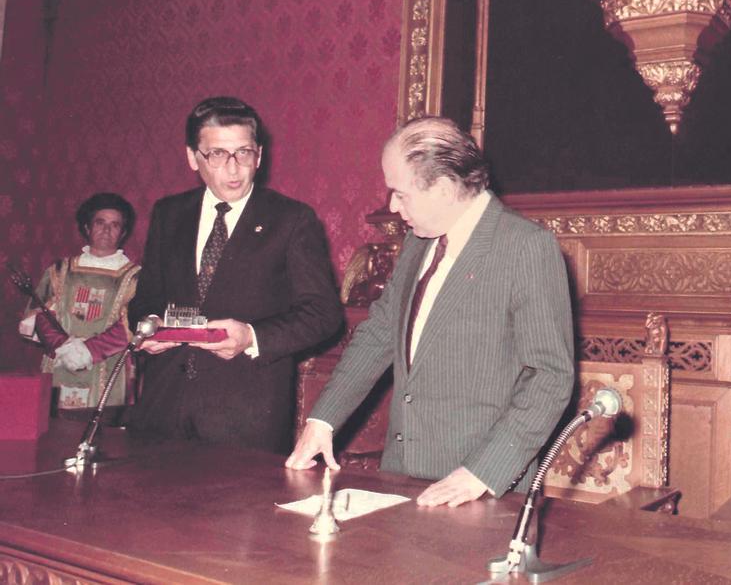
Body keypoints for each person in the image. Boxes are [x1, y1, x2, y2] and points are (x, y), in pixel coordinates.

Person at [286, 117, 575, 508]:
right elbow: (380, 333)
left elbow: (550, 376)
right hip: (400, 474)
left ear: (442, 188)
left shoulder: (524, 246)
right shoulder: (418, 241)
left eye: (400, 194)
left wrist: (482, 472)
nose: (391, 206)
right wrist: (324, 420)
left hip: (477, 488)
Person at [123, 96, 343, 454]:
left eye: (243, 153)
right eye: (217, 155)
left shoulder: (292, 220)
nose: (234, 169)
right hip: (161, 412)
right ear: (193, 158)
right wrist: (149, 325)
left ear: (260, 154)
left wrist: (252, 337)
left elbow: (323, 315)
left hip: (244, 419)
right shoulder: (169, 213)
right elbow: (145, 298)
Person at [18, 193, 140, 411]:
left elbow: (133, 324)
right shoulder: (59, 270)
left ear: (122, 232)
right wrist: (63, 346)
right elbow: (40, 314)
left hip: (109, 366)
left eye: (114, 225)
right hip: (60, 362)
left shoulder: (135, 277)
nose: (106, 230)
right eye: (100, 223)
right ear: (86, 227)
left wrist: (89, 351)